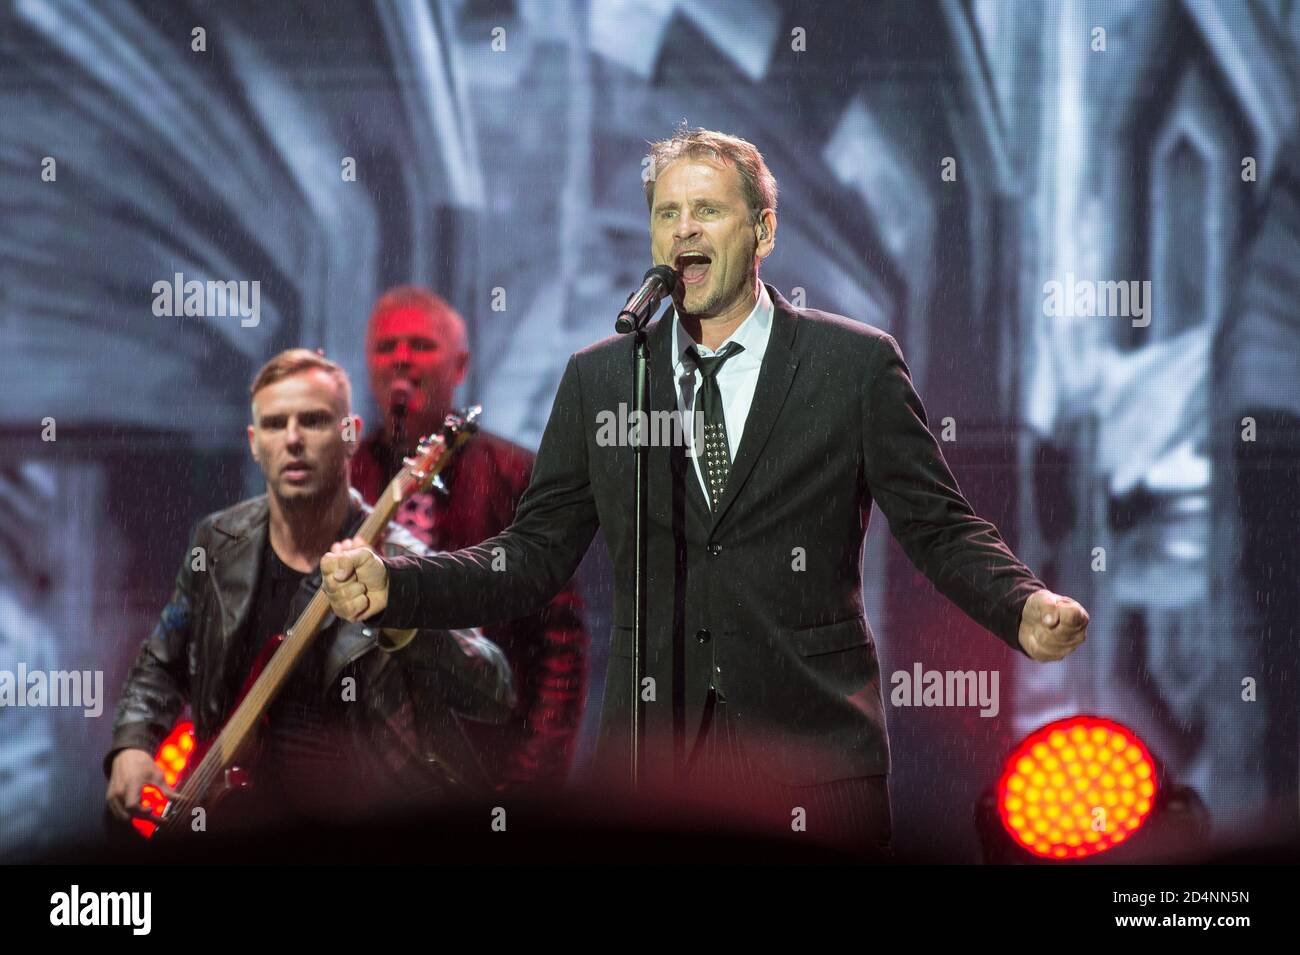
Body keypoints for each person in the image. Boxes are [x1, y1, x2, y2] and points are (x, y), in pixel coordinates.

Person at [319, 127, 1089, 854]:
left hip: (813, 763)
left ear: (763, 230)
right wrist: (397, 586)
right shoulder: (605, 378)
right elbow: (530, 556)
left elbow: (939, 526)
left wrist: (1018, 604)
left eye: (708, 210)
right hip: (651, 769)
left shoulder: (852, 366)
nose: (684, 230)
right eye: (667, 214)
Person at [105, 349, 512, 833]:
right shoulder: (218, 541)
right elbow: (162, 660)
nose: (293, 439)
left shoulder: (406, 561)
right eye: (276, 425)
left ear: (351, 435)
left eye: (314, 421)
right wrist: (132, 744)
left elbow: (493, 688)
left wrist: (404, 623)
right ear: (255, 443)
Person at [349, 287, 590, 792]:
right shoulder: (345, 478)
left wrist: (535, 775)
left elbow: (558, 641)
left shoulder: (515, 473)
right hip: (363, 770)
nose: (401, 359)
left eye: (420, 344)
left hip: (486, 759)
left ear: (459, 367)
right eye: (386, 346)